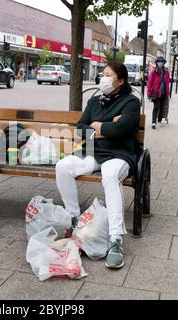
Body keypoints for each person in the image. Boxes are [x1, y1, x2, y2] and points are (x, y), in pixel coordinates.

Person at [55, 61, 141, 270]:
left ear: (120, 80)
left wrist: (99, 125)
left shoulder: (131, 102)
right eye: (102, 74)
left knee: (110, 175)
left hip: (120, 153)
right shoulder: (95, 101)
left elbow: (122, 129)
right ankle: (74, 219)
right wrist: (105, 126)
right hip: (94, 151)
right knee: (63, 167)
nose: (103, 78)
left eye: (108, 75)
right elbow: (80, 128)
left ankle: (115, 239)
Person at [147, 56, 170, 129]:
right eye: (159, 62)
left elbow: (167, 83)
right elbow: (149, 83)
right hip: (156, 93)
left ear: (164, 63)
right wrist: (149, 93)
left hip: (164, 93)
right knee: (156, 107)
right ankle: (153, 122)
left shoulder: (166, 72)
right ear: (156, 63)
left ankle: (159, 121)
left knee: (162, 107)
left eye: (162, 62)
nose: (160, 63)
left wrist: (168, 94)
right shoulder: (153, 72)